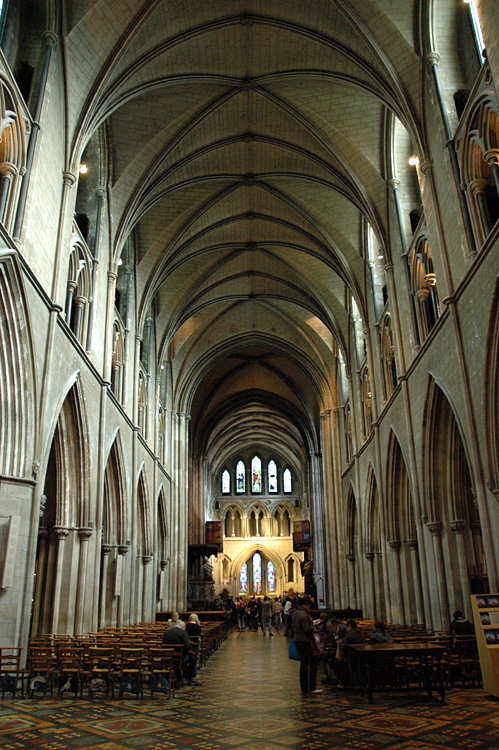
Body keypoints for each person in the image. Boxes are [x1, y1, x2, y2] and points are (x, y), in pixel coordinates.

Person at [292, 595, 323, 696]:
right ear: (306, 605)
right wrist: (313, 627)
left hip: (297, 640)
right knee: (312, 663)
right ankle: (312, 687)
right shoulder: (304, 615)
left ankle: (304, 688)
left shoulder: (296, 613)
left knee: (303, 664)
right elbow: (306, 629)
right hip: (305, 641)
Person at [162, 619, 199, 686]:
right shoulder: (183, 633)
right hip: (179, 659)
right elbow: (187, 647)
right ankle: (191, 676)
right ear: (182, 626)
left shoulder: (167, 632)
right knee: (192, 658)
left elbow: (163, 644)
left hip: (167, 658)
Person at [335, 619, 365, 689]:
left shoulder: (349, 635)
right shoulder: (360, 634)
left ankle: (343, 683)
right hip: (360, 656)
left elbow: (344, 647)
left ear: (349, 626)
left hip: (351, 657)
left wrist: (340, 643)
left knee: (338, 663)